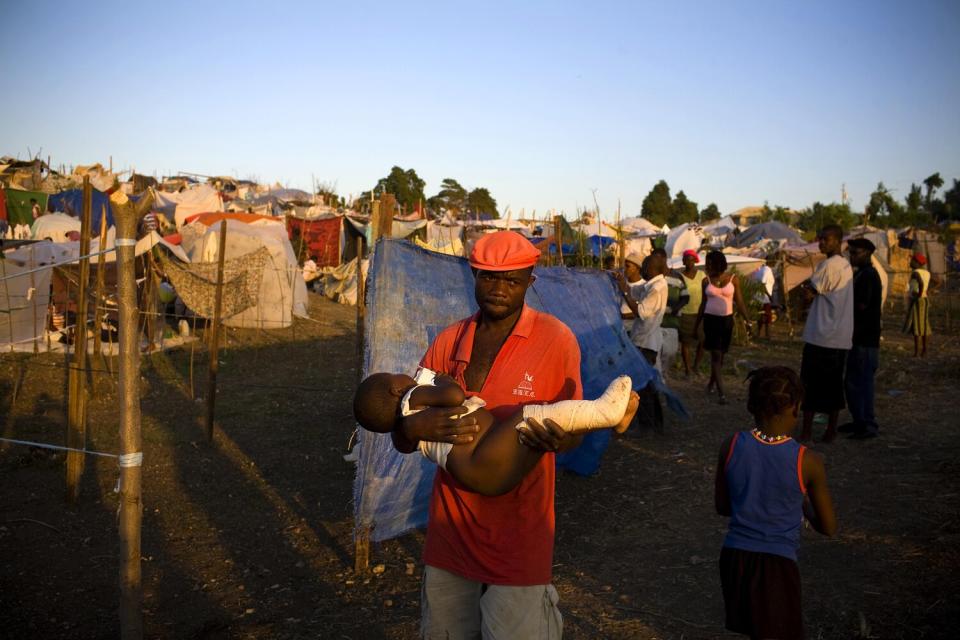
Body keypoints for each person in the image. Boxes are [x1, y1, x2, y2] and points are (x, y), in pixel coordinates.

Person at [391, 230, 583, 639]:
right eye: (489, 278)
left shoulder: (555, 341)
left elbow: (575, 428)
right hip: (450, 532)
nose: (499, 290)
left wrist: (561, 440)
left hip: (520, 536)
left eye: (512, 281)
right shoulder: (448, 341)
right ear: (474, 276)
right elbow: (403, 430)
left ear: (529, 282)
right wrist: (411, 426)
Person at [355, 370, 638, 495]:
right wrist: (442, 380)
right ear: (395, 390)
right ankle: (605, 413)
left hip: (484, 477)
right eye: (396, 375)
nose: (405, 375)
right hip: (481, 459)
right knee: (529, 416)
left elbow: (404, 445)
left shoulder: (410, 429)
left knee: (532, 432)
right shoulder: (413, 398)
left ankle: (613, 418)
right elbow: (454, 395)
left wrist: (407, 428)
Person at [715, 366, 836, 640]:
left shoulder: (731, 445)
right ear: (796, 407)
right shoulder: (808, 462)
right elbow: (828, 527)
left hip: (735, 560)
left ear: (750, 405)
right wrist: (803, 505)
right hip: (777, 567)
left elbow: (723, 507)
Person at [798, 225, 853, 442]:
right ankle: (831, 430)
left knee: (809, 386)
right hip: (840, 338)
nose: (821, 243)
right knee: (833, 386)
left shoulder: (827, 265)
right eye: (820, 238)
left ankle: (807, 431)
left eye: (826, 239)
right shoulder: (846, 265)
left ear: (838, 241)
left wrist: (804, 291)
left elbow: (809, 295)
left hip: (820, 336)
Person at [617, 253, 667, 430]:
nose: (645, 269)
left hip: (646, 341)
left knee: (642, 385)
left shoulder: (657, 288)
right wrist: (623, 285)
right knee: (646, 384)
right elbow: (635, 292)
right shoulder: (652, 285)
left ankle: (649, 424)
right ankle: (655, 423)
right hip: (643, 340)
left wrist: (624, 290)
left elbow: (640, 311)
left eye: (646, 266)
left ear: (652, 268)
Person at [695, 250, 751, 405]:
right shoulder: (706, 281)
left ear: (717, 264)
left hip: (726, 322)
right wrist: (696, 324)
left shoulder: (733, 279)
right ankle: (722, 394)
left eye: (709, 263)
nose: (706, 266)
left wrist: (748, 321)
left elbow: (739, 302)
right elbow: (703, 304)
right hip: (710, 321)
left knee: (721, 357)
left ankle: (711, 384)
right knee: (716, 356)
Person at [841, 238, 882, 439]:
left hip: (865, 340)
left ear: (866, 253)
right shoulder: (862, 274)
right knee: (853, 382)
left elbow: (861, 306)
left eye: (855, 252)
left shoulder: (869, 276)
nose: (852, 256)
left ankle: (867, 425)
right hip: (858, 338)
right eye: (851, 252)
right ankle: (859, 421)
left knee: (862, 383)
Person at [677, 249, 705, 376]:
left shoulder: (702, 275)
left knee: (702, 341)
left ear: (695, 261)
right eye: (686, 259)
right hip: (685, 313)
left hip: (700, 312)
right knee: (686, 342)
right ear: (683, 261)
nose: (689, 262)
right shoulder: (679, 277)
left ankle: (696, 366)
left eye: (691, 259)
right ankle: (688, 369)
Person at [904, 253, 931, 357]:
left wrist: (919, 295)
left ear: (917, 263)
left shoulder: (915, 273)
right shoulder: (927, 273)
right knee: (924, 325)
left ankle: (916, 352)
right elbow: (938, 282)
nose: (910, 262)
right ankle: (924, 350)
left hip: (918, 300)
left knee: (916, 326)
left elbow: (920, 282)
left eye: (912, 261)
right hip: (925, 300)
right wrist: (926, 292)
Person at [751, 256, 776, 339]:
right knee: (768, 316)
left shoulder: (760, 269)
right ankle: (767, 334)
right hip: (764, 297)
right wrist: (769, 296)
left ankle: (759, 334)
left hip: (757, 297)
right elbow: (763, 282)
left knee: (760, 316)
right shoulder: (767, 270)